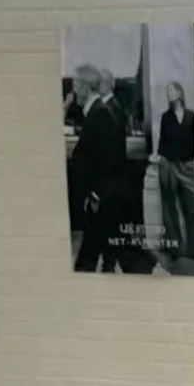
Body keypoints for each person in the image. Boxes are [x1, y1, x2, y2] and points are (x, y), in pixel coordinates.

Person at [69, 64, 130, 273]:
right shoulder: (96, 112)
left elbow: (108, 160)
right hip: (98, 199)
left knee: (88, 258)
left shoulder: (100, 114)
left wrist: (95, 194)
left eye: (76, 86)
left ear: (85, 87)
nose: (74, 91)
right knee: (96, 253)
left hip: (99, 199)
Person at [155, 81, 194, 265]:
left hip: (186, 165)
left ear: (179, 92)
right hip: (168, 164)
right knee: (169, 208)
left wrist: (193, 160)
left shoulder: (191, 116)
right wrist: (161, 161)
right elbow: (162, 143)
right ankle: (174, 249)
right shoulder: (165, 117)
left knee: (193, 206)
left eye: (172, 90)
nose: (169, 93)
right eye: (167, 90)